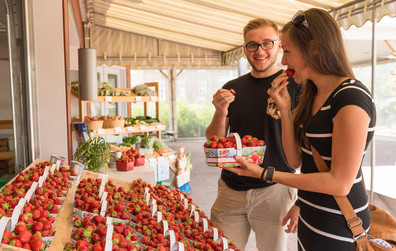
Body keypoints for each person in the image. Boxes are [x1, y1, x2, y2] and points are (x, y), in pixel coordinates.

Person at [222, 8, 376, 251]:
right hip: (311, 220)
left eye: (288, 52)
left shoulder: (350, 97)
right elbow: (294, 158)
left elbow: (340, 183)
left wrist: (264, 174)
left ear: (313, 49)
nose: (283, 62)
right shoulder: (313, 94)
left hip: (340, 225)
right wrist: (284, 110)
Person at [205, 18, 301, 251]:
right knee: (219, 247)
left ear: (279, 46)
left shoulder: (294, 86)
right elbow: (213, 141)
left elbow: (309, 146)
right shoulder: (232, 87)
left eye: (267, 43)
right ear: (245, 49)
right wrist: (220, 113)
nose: (260, 51)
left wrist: (303, 201)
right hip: (231, 189)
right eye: (252, 45)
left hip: (275, 189)